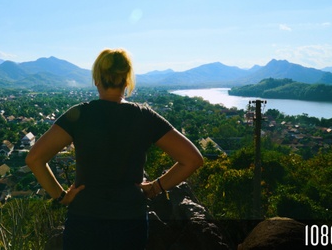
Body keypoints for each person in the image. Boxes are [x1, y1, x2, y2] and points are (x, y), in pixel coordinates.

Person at [25, 48, 204, 249]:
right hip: (129, 221)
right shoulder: (144, 117)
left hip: (84, 220)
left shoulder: (80, 114)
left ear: (96, 79)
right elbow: (192, 159)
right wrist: (155, 187)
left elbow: (34, 158)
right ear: (127, 81)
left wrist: (61, 196)